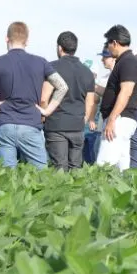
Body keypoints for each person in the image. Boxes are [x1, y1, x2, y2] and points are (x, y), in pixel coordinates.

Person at [0, 22, 68, 169]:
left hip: (5, 124)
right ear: (27, 41)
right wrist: (48, 111)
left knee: (7, 178)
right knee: (40, 176)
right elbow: (62, 86)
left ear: (6, 39)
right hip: (30, 124)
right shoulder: (41, 62)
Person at [40, 31, 96, 171]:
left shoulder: (51, 67)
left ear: (59, 48)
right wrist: (84, 119)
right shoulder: (87, 71)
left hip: (56, 125)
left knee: (59, 168)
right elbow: (90, 101)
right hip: (77, 126)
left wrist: (43, 116)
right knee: (75, 168)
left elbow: (43, 98)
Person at [95, 25, 137, 171]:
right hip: (122, 119)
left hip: (119, 120)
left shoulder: (127, 61)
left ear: (114, 42)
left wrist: (112, 119)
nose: (108, 49)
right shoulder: (125, 61)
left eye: (108, 44)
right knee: (121, 167)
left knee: (104, 165)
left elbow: (126, 92)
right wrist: (93, 87)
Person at [81, 59, 102, 165]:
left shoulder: (95, 88)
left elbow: (95, 101)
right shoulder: (82, 86)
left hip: (90, 128)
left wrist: (91, 119)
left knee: (89, 155)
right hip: (80, 125)